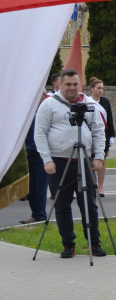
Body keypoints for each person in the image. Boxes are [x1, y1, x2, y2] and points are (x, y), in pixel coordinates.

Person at [34, 69, 107, 258]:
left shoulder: (89, 104)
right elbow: (39, 132)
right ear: (60, 84)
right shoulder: (49, 104)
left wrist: (99, 156)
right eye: (68, 84)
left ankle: (94, 243)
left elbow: (99, 131)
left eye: (75, 84)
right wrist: (47, 159)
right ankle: (68, 245)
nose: (72, 88)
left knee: (89, 204)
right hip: (59, 162)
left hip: (84, 160)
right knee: (61, 205)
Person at [20, 92, 49, 225]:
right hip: (28, 154)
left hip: (39, 155)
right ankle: (36, 214)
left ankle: (39, 215)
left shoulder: (43, 112)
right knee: (31, 188)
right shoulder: (28, 112)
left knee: (39, 187)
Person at [87, 78, 116, 197]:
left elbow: (109, 119)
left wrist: (112, 135)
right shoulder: (87, 101)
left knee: (102, 161)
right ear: (92, 89)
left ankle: (100, 187)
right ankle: (90, 186)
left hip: (104, 135)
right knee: (90, 161)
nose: (101, 90)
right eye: (98, 88)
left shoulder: (105, 101)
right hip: (90, 135)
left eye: (102, 88)